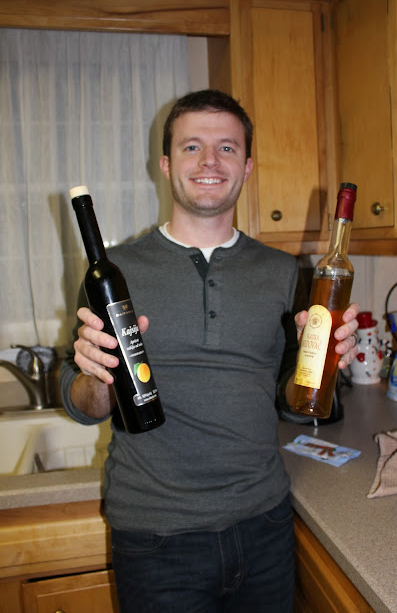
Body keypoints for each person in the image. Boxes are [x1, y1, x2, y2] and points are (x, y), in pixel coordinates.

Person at [60, 89, 359, 613]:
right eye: (192, 146)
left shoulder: (285, 272)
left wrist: (327, 365)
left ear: (247, 167)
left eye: (226, 148)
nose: (209, 161)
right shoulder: (113, 271)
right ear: (165, 164)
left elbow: (293, 402)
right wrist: (96, 374)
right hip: (155, 536)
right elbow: (84, 406)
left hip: (265, 523)